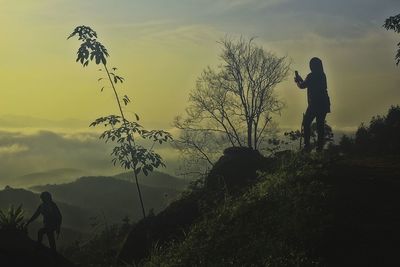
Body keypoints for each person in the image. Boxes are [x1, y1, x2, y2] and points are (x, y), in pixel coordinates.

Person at [295, 57, 331, 152]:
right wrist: (301, 80)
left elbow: (303, 85)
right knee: (320, 126)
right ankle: (319, 148)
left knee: (306, 123)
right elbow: (307, 83)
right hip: (324, 103)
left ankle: (307, 147)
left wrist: (298, 82)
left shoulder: (311, 76)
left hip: (315, 104)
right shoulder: (322, 75)